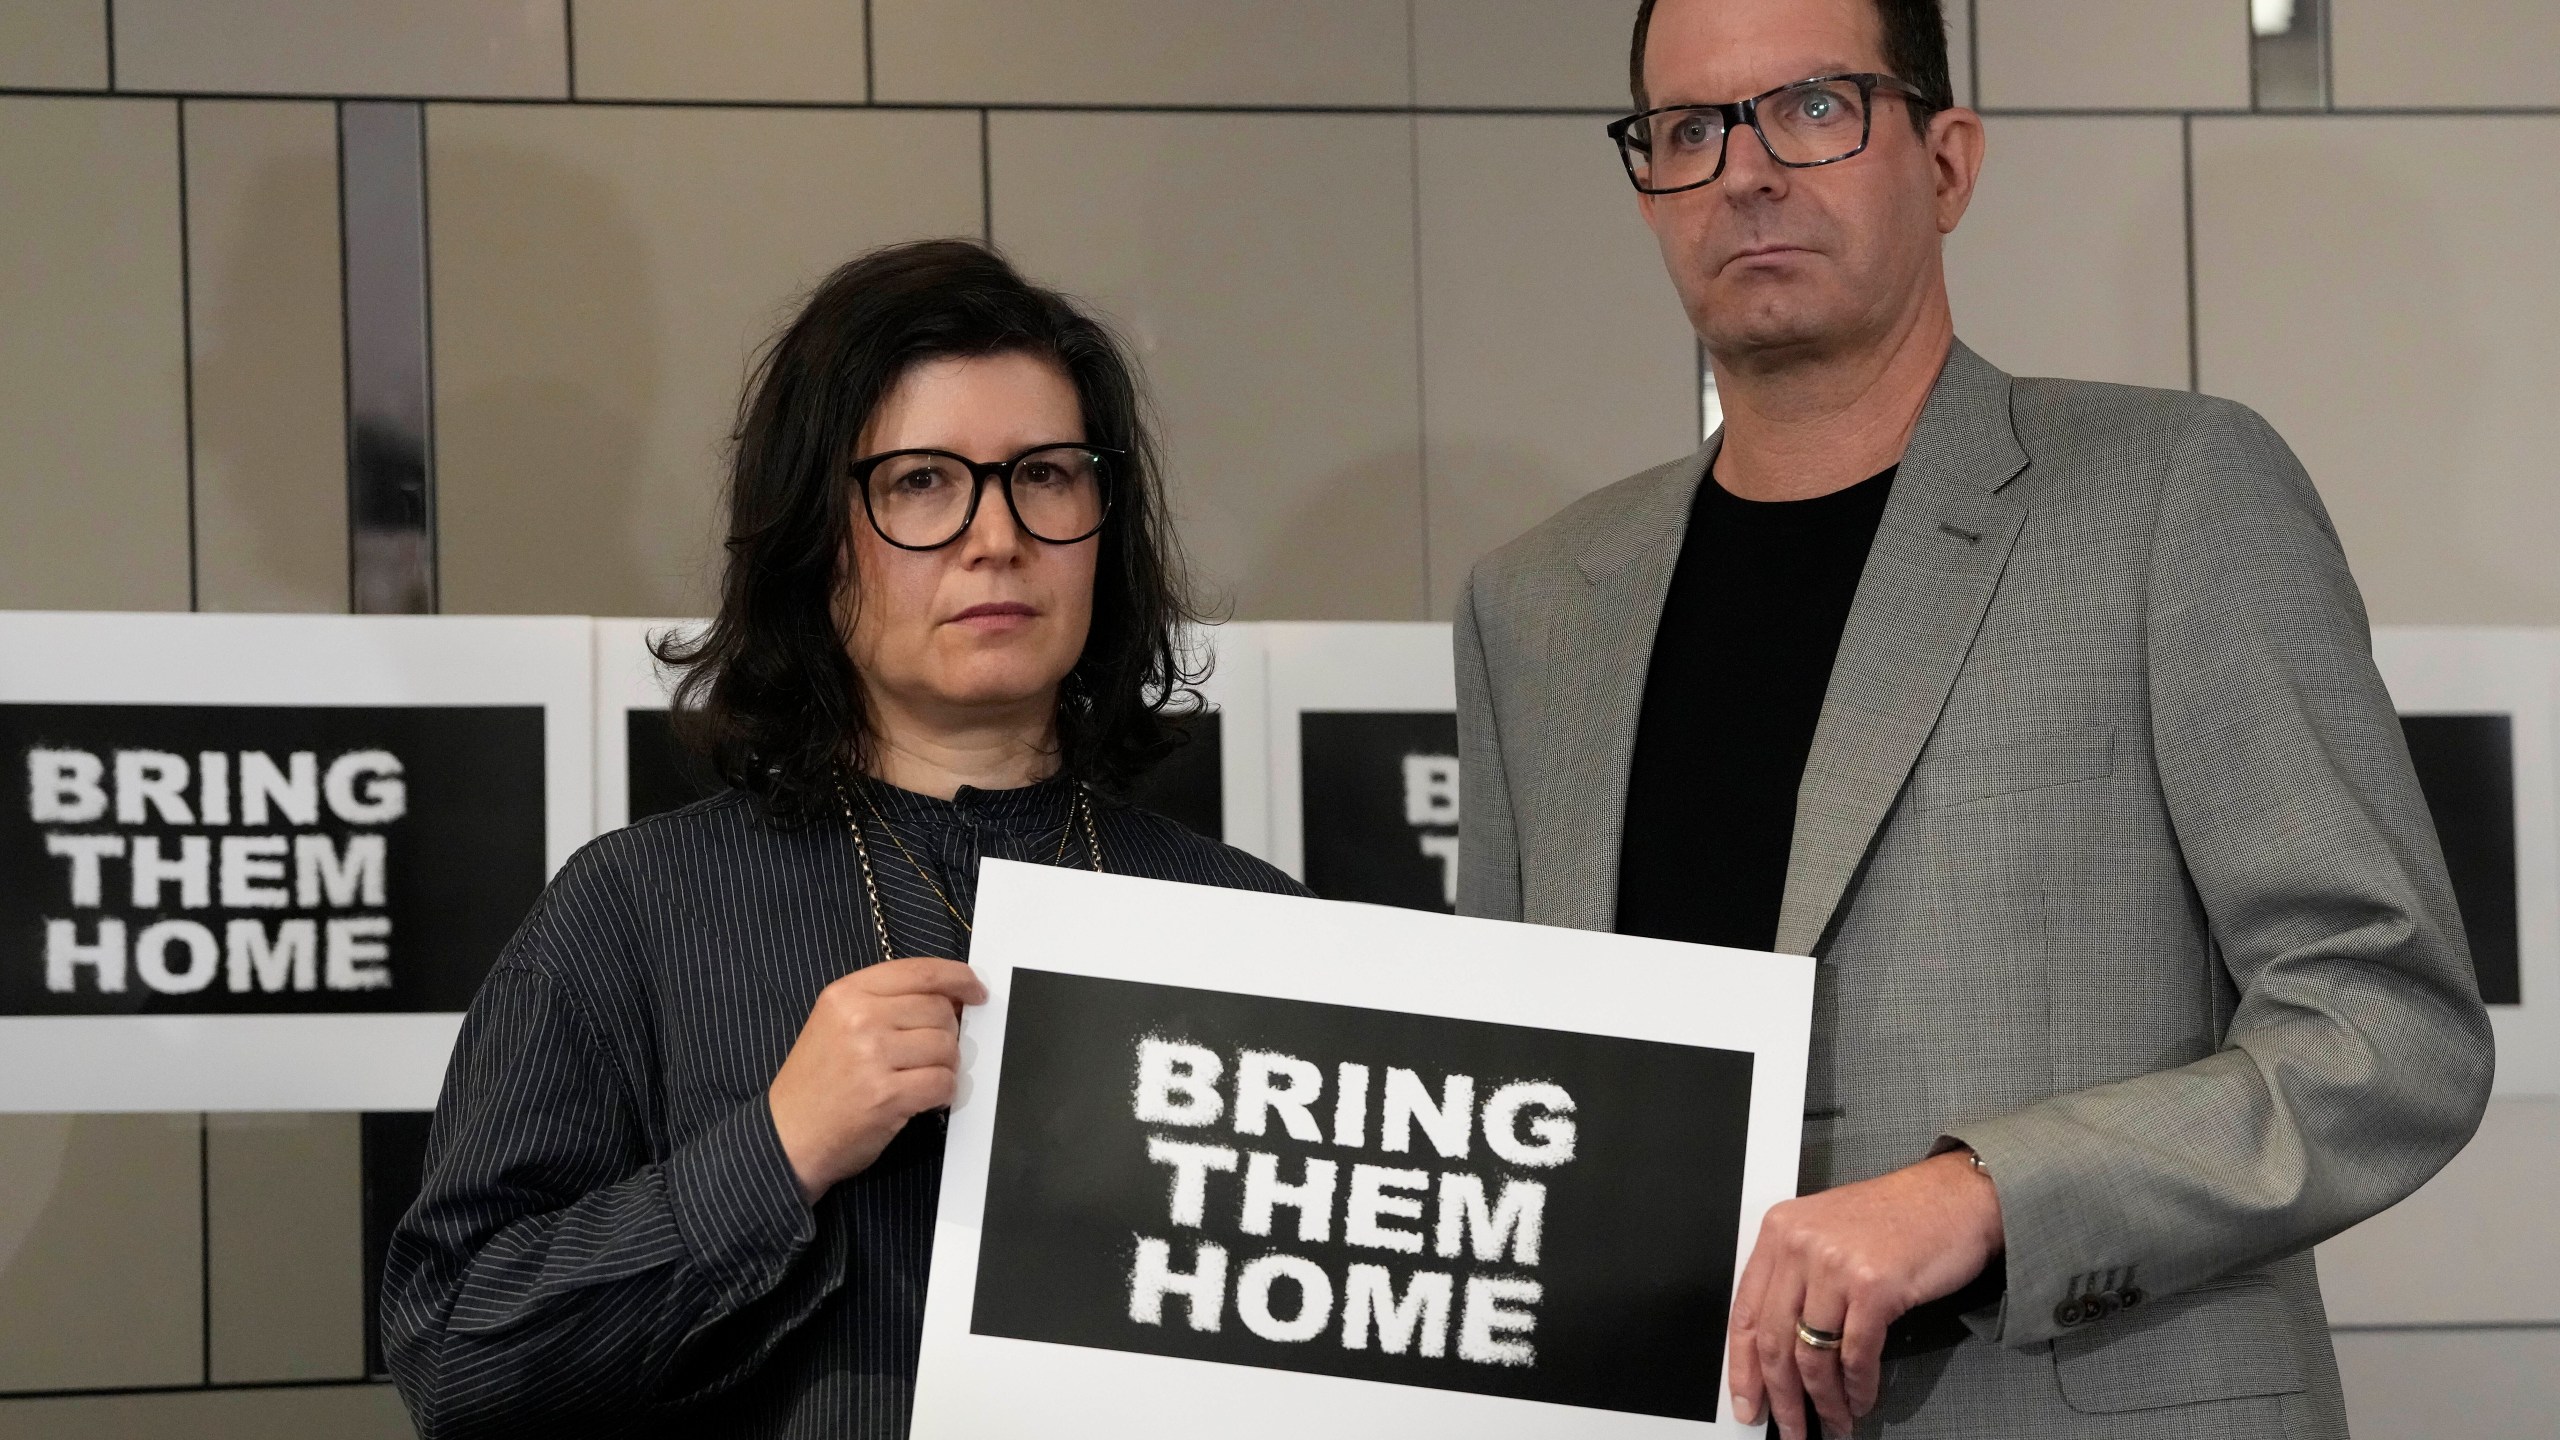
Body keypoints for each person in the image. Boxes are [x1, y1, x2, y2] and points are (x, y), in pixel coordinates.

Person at [1454, 2, 2493, 1437]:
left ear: (1946, 160)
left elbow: (2391, 1028)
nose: (1746, 172)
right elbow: (1500, 1099)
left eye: (1813, 108)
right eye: (1689, 130)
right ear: (1646, 185)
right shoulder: (1537, 607)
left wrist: (1985, 1193)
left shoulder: (2174, 493)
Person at [382, 239, 1304, 1437]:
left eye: (1048, 474)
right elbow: (458, 1361)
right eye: (921, 481)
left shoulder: (1253, 925)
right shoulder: (639, 909)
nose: (995, 536)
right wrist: (774, 1150)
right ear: (818, 540)